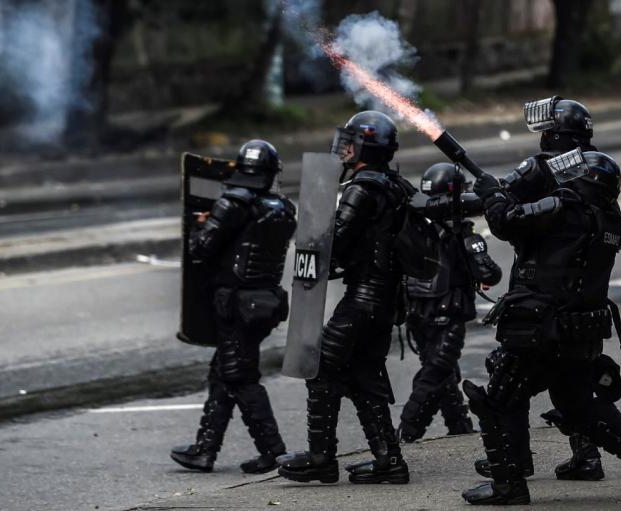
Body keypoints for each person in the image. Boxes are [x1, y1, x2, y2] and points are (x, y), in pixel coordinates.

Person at [462, 149, 621, 504]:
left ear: (586, 182)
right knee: (577, 405)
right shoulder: (610, 220)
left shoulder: (565, 208)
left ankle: (508, 485)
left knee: (498, 399)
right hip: (579, 330)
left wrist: (492, 194)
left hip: (543, 326)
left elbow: (506, 223)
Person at [277, 111, 414, 484]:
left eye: (351, 142)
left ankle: (321, 458)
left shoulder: (361, 189)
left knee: (320, 366)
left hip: (364, 298)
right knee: (365, 374)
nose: (344, 149)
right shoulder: (396, 185)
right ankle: (389, 460)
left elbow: (333, 243)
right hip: (385, 300)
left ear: (365, 147)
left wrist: (311, 225)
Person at [475, 96, 607, 482]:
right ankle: (588, 455)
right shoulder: (595, 172)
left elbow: (504, 215)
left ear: (554, 135)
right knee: (573, 380)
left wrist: (489, 194)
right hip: (583, 298)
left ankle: (513, 461)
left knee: (508, 375)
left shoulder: (542, 169)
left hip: (543, 299)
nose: (542, 137)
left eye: (547, 131)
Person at [170, 140, 296, 474]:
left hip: (237, 304)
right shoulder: (283, 207)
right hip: (264, 303)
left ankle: (274, 451)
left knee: (239, 378)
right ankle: (205, 450)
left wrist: (200, 224)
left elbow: (201, 249)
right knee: (223, 374)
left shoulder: (233, 203)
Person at [399, 163, 501, 442]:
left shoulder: (413, 228)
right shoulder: (462, 235)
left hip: (416, 314)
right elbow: (490, 274)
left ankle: (459, 425)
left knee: (443, 371)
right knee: (437, 371)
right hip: (448, 312)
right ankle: (406, 432)